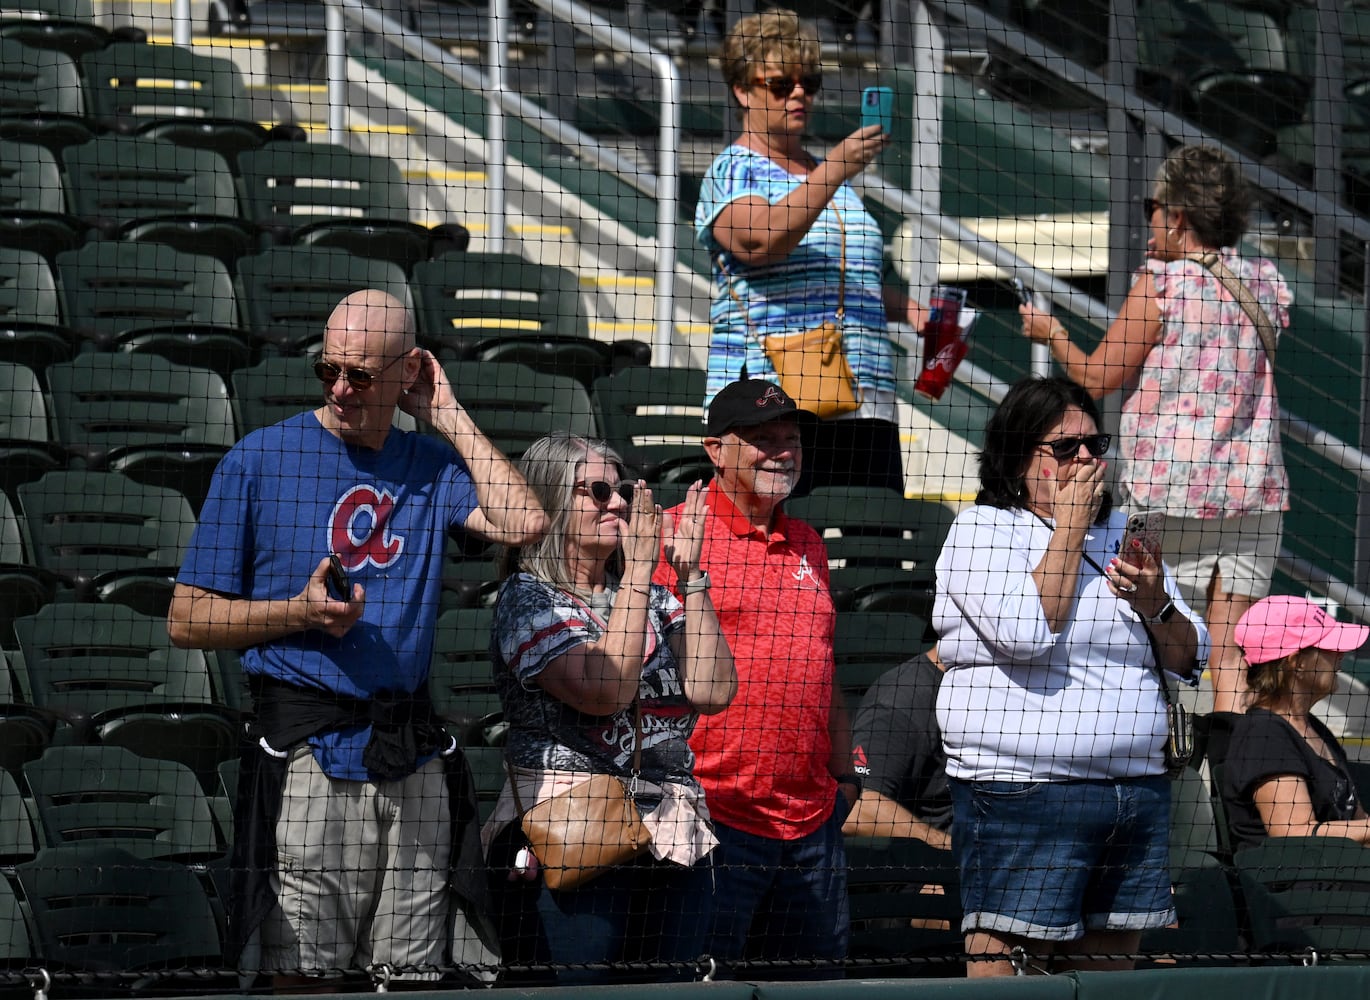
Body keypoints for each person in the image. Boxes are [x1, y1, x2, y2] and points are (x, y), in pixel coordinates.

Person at [167, 290, 549, 989]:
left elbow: (526, 524)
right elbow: (186, 617)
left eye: (362, 375)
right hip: (312, 755)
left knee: (411, 977)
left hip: (412, 752)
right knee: (303, 976)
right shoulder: (260, 460)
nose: (340, 388)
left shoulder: (429, 467)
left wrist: (444, 413)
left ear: (407, 373)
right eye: (328, 370)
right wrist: (299, 614)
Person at [935, 375, 1209, 978]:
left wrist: (1155, 600)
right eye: (1065, 448)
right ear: (1017, 457)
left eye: (1094, 444)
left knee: (1107, 980)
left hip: (1134, 792)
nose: (1086, 458)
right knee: (1013, 971)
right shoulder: (982, 532)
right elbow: (1027, 632)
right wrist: (1068, 528)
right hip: (1027, 792)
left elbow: (1192, 657)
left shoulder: (1122, 533)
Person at [1019, 143, 1291, 715]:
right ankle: (1231, 789)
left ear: (1180, 217)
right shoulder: (1265, 281)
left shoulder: (1163, 284)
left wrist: (1050, 334)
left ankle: (1165, 771)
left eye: (1154, 206)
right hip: (1254, 490)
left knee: (1153, 633)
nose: (1150, 218)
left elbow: (1095, 377)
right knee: (1234, 656)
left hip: (1170, 493)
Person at [481, 433, 736, 985]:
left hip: (670, 829)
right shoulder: (530, 598)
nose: (617, 503)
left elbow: (714, 690)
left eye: (619, 490)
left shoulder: (656, 598)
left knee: (668, 990)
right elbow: (605, 691)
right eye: (597, 491)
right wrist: (641, 573)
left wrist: (691, 576)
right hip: (576, 832)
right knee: (583, 991)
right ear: (551, 500)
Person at [653, 377, 857, 979]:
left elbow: (823, 664)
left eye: (790, 438)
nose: (781, 451)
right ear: (715, 450)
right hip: (715, 820)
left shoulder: (808, 543)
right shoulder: (675, 534)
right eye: (762, 439)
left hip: (813, 824)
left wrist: (848, 775)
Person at [696, 7, 927, 497]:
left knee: (877, 544)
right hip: (773, 400)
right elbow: (759, 241)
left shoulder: (825, 174)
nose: (799, 94)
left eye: (810, 82)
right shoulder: (734, 169)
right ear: (743, 89)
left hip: (863, 392)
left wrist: (910, 310)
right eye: (781, 84)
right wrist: (837, 168)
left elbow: (841, 275)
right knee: (782, 545)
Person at [1218, 596, 1370, 852]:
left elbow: (1358, 821)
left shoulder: (1315, 728)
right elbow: (1292, 832)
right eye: (1329, 647)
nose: (1341, 655)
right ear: (1296, 662)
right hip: (1293, 887)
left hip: (1340, 877)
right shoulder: (1263, 734)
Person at [844, 646, 952, 849]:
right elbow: (859, 808)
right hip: (930, 873)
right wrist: (947, 852)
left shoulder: (1004, 692)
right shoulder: (899, 701)